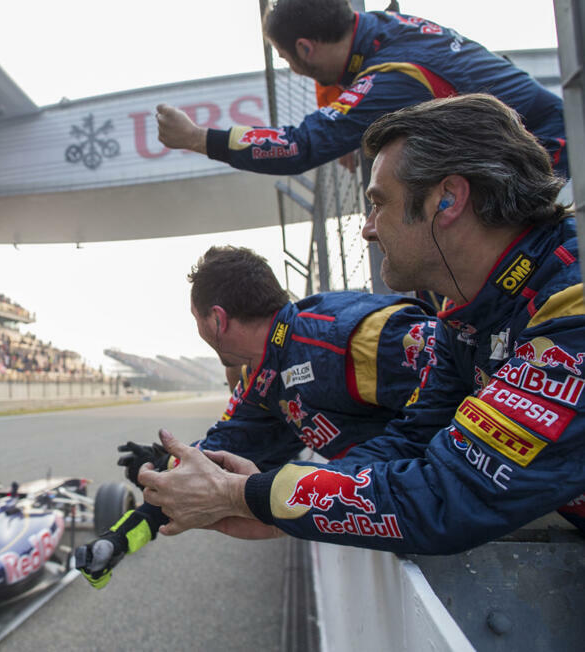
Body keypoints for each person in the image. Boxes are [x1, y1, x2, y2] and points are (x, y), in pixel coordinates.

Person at [137, 93, 584, 554]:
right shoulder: (465, 313)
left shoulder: (572, 301)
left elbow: (449, 493)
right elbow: (411, 441)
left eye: (379, 203)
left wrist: (243, 496)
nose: (368, 228)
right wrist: (270, 508)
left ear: (447, 199)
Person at [74, 245, 439, 587]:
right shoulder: (265, 381)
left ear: (217, 320)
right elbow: (210, 470)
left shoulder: (348, 336)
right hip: (408, 518)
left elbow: (462, 392)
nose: (198, 330)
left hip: (449, 517)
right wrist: (121, 536)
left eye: (195, 319)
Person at [156, 0, 568, 179]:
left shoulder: (390, 73)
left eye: (286, 59)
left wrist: (196, 138)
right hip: (534, 141)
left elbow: (302, 145)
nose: (294, 70)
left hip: (552, 155)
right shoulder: (382, 28)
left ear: (305, 47)